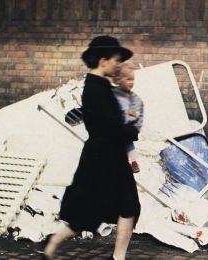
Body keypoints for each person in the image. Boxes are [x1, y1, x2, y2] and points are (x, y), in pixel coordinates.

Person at [43, 36, 141, 260]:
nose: (118, 64)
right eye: (116, 60)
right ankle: (56, 243)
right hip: (105, 157)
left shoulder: (100, 86)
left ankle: (116, 257)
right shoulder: (96, 89)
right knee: (104, 211)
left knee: (121, 208)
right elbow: (109, 127)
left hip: (103, 155)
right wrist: (132, 129)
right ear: (103, 60)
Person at [112, 63, 144, 173]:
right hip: (114, 127)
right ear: (119, 80)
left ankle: (134, 162)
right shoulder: (113, 94)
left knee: (128, 142)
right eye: (128, 79)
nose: (131, 82)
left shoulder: (133, 98)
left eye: (133, 80)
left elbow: (134, 113)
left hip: (125, 127)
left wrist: (132, 121)